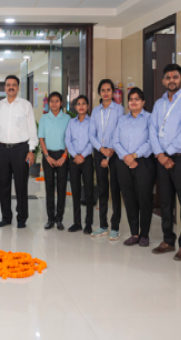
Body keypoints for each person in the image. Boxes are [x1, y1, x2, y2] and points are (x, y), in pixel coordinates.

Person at [149, 63, 181, 261]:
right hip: (162, 160)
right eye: (168, 77)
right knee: (166, 201)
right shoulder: (159, 104)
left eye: (175, 77)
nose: (172, 80)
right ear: (163, 81)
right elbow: (152, 130)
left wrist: (167, 154)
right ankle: (168, 240)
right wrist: (160, 155)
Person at [0, 75, 38, 229]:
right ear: (5, 87)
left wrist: (31, 150)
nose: (10, 87)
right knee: (3, 184)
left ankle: (22, 218)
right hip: (3, 149)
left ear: (18, 87)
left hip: (21, 149)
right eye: (8, 85)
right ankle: (6, 217)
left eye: (13, 84)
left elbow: (32, 128)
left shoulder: (25, 105)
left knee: (21, 185)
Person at [113, 87, 156, 247]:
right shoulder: (122, 120)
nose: (133, 102)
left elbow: (152, 141)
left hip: (143, 162)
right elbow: (115, 141)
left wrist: (135, 155)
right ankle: (134, 233)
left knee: (144, 198)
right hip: (123, 162)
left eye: (137, 99)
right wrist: (126, 156)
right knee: (129, 198)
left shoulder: (150, 118)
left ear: (143, 102)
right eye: (131, 99)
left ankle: (144, 234)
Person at [89, 79, 123, 240]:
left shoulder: (119, 110)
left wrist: (109, 153)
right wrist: (102, 150)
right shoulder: (95, 111)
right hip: (99, 151)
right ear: (99, 93)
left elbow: (119, 132)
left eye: (108, 90)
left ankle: (115, 226)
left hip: (114, 152)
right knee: (102, 188)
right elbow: (91, 134)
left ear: (113, 92)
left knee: (115, 189)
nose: (106, 93)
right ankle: (103, 225)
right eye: (103, 90)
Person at [38, 92, 70, 230]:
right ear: (48, 103)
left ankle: (59, 219)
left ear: (61, 103)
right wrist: (47, 156)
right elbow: (41, 139)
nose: (54, 104)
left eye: (57, 101)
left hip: (63, 155)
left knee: (61, 188)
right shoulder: (44, 118)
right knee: (49, 187)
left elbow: (70, 139)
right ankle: (50, 219)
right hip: (48, 155)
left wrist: (64, 156)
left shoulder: (67, 118)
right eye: (52, 101)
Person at [65, 95, 95, 234]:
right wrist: (75, 155)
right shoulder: (72, 122)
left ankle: (88, 223)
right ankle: (77, 222)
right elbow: (68, 140)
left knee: (88, 192)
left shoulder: (92, 122)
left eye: (84, 103)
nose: (81, 106)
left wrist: (82, 155)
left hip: (86, 159)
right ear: (76, 107)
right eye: (78, 104)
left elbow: (92, 140)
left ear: (87, 106)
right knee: (75, 191)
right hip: (74, 160)